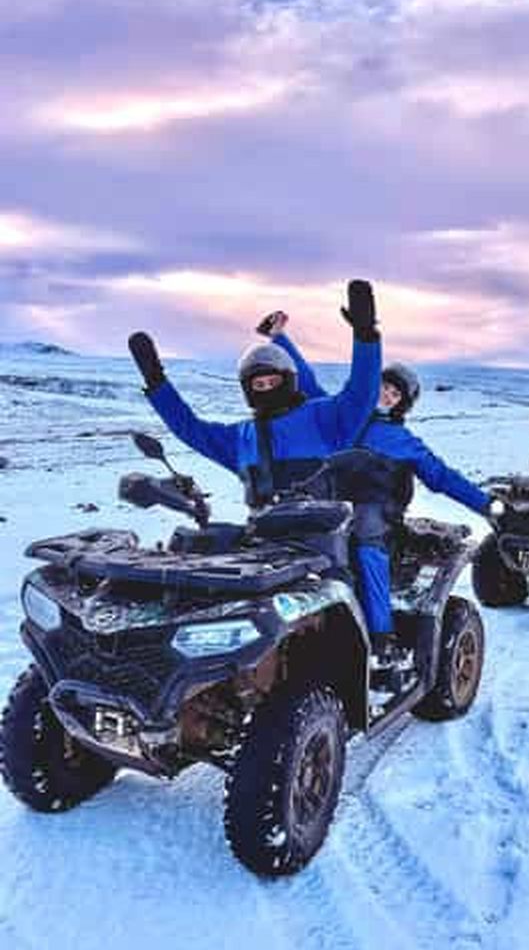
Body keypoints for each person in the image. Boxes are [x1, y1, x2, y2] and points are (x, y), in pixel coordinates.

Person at [260, 311, 496, 672]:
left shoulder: (404, 442)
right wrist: (279, 339)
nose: (385, 395)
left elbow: (443, 477)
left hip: (375, 513)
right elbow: (306, 383)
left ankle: (381, 637)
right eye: (383, 387)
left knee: (366, 543)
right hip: (324, 504)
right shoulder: (343, 417)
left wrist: (486, 504)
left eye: (394, 393)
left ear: (402, 403)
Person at [127, 280, 382, 511]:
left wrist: (365, 335)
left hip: (326, 545)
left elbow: (362, 392)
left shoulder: (323, 417)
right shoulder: (240, 437)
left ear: (290, 381)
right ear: (248, 391)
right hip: (264, 547)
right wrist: (156, 381)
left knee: (368, 556)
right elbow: (189, 428)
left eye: (273, 381)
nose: (268, 389)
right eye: (259, 385)